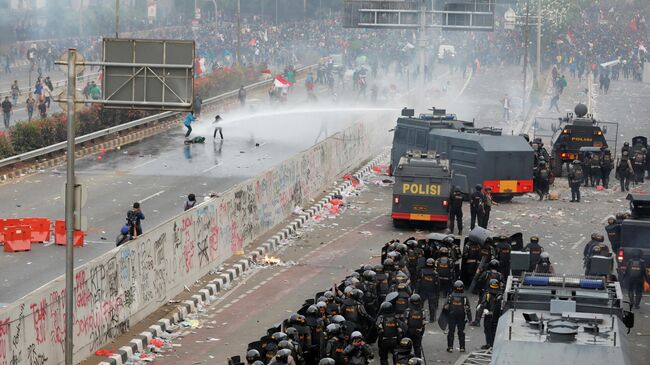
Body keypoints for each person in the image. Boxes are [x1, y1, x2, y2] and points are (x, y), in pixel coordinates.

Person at [444, 280, 472, 353]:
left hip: (451, 316)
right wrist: (470, 319)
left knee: (451, 331)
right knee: (461, 332)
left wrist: (445, 317)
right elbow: (467, 308)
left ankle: (450, 347)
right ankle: (462, 347)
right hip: (461, 317)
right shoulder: (464, 297)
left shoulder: (450, 296)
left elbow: (446, 307)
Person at [477, 279, 503, 349]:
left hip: (489, 315)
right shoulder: (500, 295)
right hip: (497, 316)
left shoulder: (488, 294)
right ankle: (493, 344)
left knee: (487, 330)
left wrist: (478, 318)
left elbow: (483, 305)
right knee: (494, 330)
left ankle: (489, 344)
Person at [417, 258, 439, 322]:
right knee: (432, 306)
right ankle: (432, 319)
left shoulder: (422, 272)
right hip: (432, 291)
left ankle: (419, 317)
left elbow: (418, 282)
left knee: (420, 305)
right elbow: (437, 285)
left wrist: (417, 291)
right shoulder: (435, 273)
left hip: (422, 291)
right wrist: (437, 293)